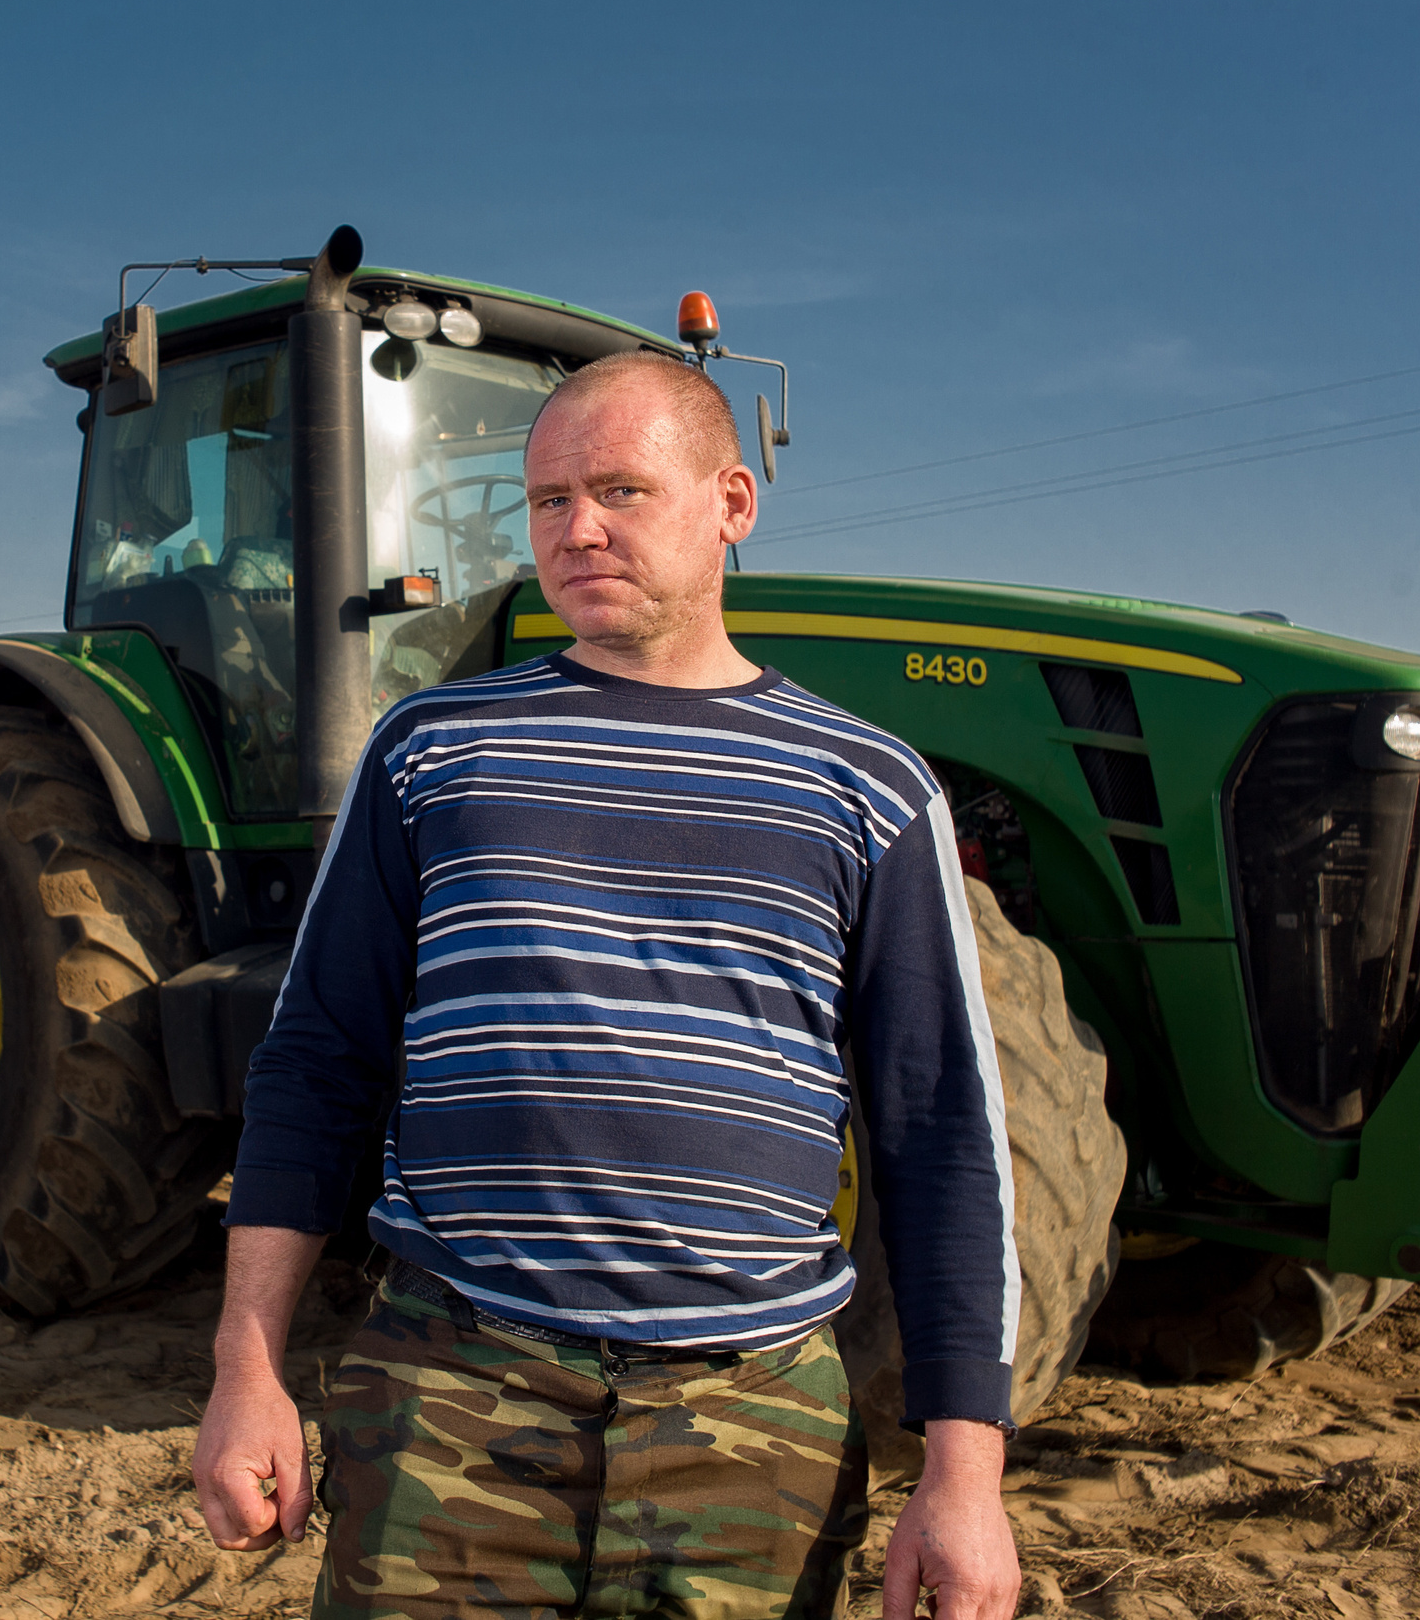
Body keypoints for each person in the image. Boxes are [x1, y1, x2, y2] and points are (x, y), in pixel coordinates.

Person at [190, 349, 1022, 1620]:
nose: (575, 530)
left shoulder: (868, 789)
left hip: (751, 1439)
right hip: (452, 1407)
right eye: (545, 501)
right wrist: (245, 1368)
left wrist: (965, 1471)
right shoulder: (433, 755)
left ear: (732, 505)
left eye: (622, 491)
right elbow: (313, 1068)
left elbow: (941, 1136)